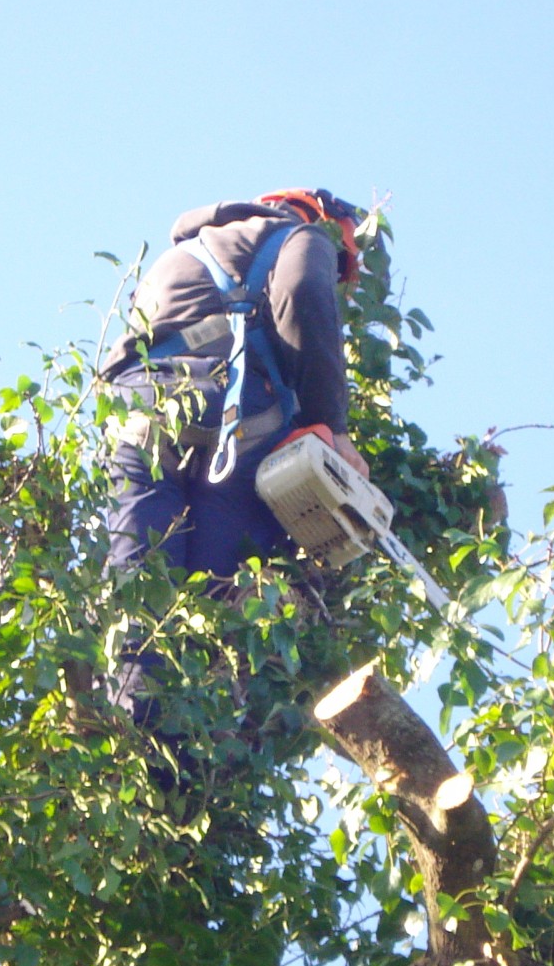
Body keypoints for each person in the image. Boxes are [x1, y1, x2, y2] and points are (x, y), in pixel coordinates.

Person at [101, 189, 368, 721]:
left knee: (141, 592)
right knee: (223, 612)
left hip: (144, 424)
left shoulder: (178, 257)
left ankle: (126, 740)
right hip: (235, 428)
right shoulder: (301, 236)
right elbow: (302, 291)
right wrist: (330, 428)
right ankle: (190, 757)